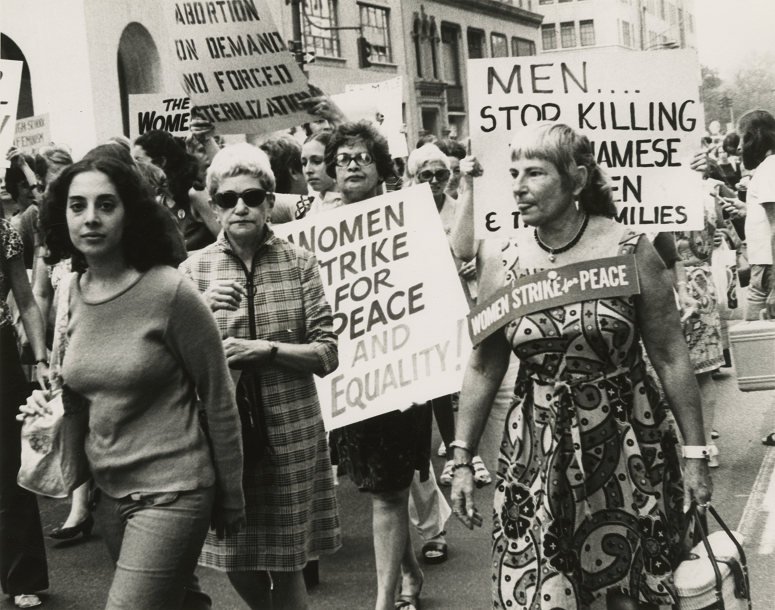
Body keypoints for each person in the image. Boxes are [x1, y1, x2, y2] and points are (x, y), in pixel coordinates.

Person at [449, 122, 712, 610]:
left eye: (535, 173)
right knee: (544, 587)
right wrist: (461, 457)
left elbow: (672, 354)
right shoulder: (500, 257)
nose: (519, 186)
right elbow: (485, 364)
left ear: (577, 179)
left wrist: (696, 453)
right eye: (513, 174)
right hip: (537, 447)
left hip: (630, 438)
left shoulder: (629, 247)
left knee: (630, 589)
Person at [23, 155, 246, 610]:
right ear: (61, 216)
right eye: (77, 206)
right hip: (110, 494)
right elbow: (85, 392)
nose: (91, 218)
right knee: (180, 603)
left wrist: (232, 494)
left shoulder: (170, 291)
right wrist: (49, 411)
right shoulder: (73, 292)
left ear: (130, 213)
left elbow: (219, 396)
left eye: (106, 205)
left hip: (174, 489)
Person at [180, 144, 341, 610]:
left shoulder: (299, 263)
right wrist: (202, 311)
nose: (241, 207)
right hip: (225, 436)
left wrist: (267, 350)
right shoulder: (192, 272)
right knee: (235, 559)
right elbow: (172, 361)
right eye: (228, 199)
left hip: (290, 430)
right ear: (214, 206)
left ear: (270, 201)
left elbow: (327, 354)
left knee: (288, 562)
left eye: (252, 196)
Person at [322, 121, 428, 610]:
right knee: (378, 487)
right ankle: (408, 570)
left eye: (362, 157)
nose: (352, 165)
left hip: (404, 374)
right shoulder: (316, 227)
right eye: (342, 159)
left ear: (380, 167)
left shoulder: (409, 215)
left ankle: (386, 600)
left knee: (389, 490)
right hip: (351, 377)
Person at [1, 218, 49, 609]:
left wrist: (41, 357)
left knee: (9, 467)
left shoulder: (3, 230)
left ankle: (22, 578)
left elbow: (26, 298)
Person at [737, 110, 775, 447]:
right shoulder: (767, 170)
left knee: (764, 345)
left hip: (769, 268)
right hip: (766, 266)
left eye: (742, 138)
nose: (738, 148)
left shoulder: (769, 170)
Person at [133, 129, 219, 250]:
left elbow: (225, 242)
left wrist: (183, 258)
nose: (134, 168)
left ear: (161, 162)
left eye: (138, 161)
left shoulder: (196, 193)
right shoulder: (159, 201)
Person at [302, 130, 341, 216]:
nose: (308, 170)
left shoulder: (353, 202)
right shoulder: (309, 210)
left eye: (317, 161)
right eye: (304, 163)